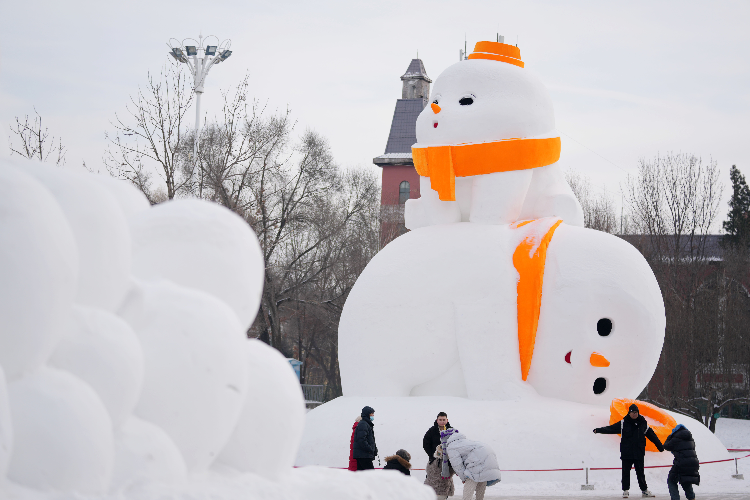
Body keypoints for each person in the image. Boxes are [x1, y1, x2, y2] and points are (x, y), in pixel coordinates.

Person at [594, 403, 665, 498]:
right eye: (632, 412)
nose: (634, 414)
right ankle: (625, 490)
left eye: (636, 412)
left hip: (639, 452)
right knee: (626, 472)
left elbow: (652, 435)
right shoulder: (624, 423)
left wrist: (660, 446)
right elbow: (611, 429)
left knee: (640, 473)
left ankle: (644, 490)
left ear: (638, 413)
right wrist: (598, 430)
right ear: (629, 413)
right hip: (627, 452)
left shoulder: (643, 423)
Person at [441, 428, 501, 500]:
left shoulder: (451, 446)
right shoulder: (462, 441)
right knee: (481, 480)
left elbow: (457, 465)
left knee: (470, 482)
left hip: (478, 458)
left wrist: (464, 477)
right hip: (488, 453)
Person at [663, 424, 699, 500]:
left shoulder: (676, 437)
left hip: (681, 462)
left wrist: (669, 437)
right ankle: (691, 498)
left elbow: (666, 446)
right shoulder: (690, 438)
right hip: (693, 462)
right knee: (685, 479)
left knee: (671, 480)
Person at [352, 405, 377, 470]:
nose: (373, 415)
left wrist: (374, 449)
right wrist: (370, 449)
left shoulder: (366, 424)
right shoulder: (363, 424)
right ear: (367, 414)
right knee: (371, 475)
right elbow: (361, 439)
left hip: (363, 454)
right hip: (364, 455)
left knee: (362, 476)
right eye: (371, 414)